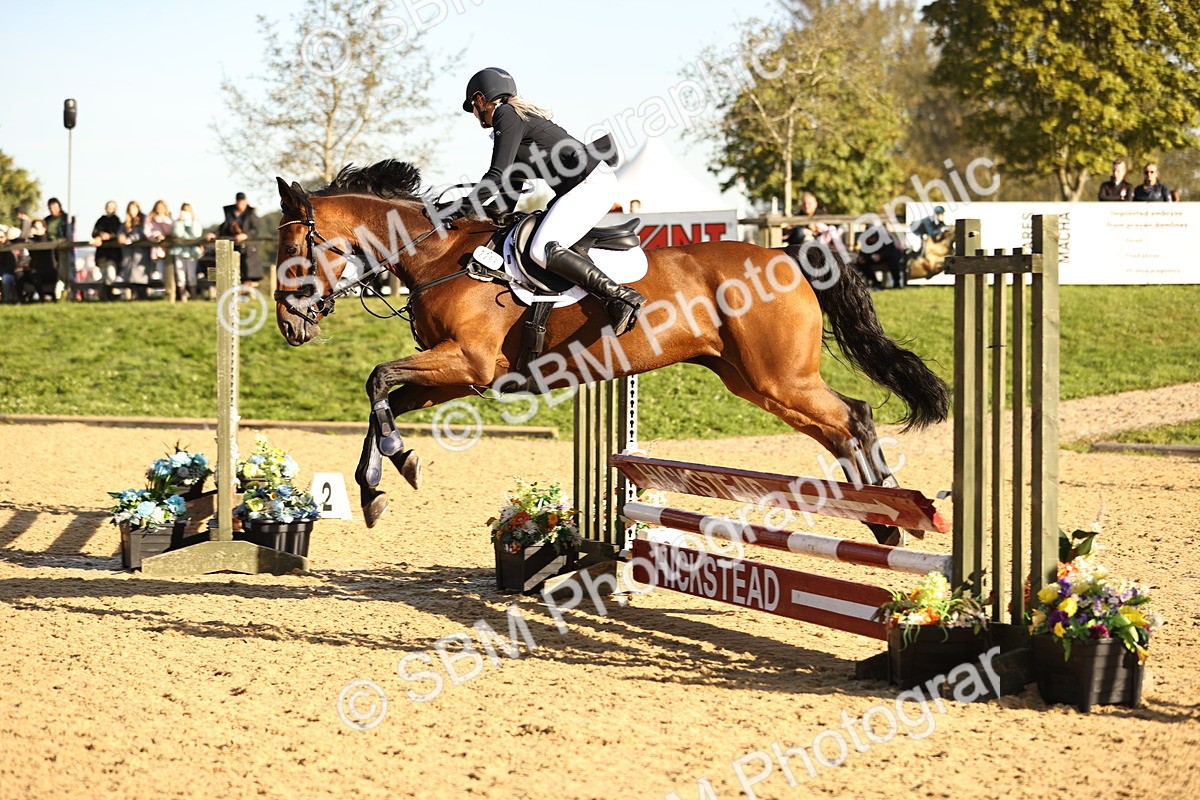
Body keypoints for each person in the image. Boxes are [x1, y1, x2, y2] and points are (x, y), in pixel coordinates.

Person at [441, 67, 644, 335]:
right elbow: (511, 184)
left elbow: (497, 174)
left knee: (542, 249)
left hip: (590, 183)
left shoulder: (505, 113)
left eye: (473, 107)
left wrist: (460, 208)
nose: (475, 115)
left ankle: (620, 297)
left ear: (480, 99)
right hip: (584, 184)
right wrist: (488, 215)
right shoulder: (513, 119)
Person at [209, 192, 261, 284]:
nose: (240, 203)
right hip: (233, 245)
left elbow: (256, 229)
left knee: (246, 271)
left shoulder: (251, 214)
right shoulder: (231, 214)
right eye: (238, 201)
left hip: (247, 247)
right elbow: (223, 227)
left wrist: (246, 235)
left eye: (242, 201)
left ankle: (245, 290)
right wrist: (214, 234)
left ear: (246, 201)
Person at [91, 201, 124, 301]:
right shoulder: (101, 220)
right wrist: (100, 235)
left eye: (112, 208)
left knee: (110, 276)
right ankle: (105, 297)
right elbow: (94, 232)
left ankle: (108, 296)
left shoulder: (117, 221)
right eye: (109, 207)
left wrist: (109, 236)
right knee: (104, 276)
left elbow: (118, 233)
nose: (110, 210)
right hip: (102, 254)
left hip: (113, 255)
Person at [171, 203, 203, 301]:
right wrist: (180, 222)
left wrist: (191, 222)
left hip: (192, 252)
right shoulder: (177, 223)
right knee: (180, 275)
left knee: (191, 275)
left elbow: (196, 234)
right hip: (179, 251)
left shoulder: (196, 222)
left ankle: (194, 297)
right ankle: (183, 297)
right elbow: (177, 234)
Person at [43, 197, 72, 295]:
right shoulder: (47, 220)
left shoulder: (66, 218)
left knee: (64, 268)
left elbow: (68, 233)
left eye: (54, 207)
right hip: (50, 247)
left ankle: (66, 288)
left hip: (62, 246)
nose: (52, 209)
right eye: (50, 207)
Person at [121, 201, 148, 299]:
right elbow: (121, 231)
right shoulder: (126, 223)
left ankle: (142, 297)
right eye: (130, 210)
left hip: (141, 253)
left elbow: (143, 232)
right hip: (129, 254)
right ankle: (134, 296)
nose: (132, 212)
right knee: (131, 276)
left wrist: (131, 238)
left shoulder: (144, 220)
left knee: (140, 276)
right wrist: (121, 236)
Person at [143, 200, 173, 286]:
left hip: (168, 248)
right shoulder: (150, 219)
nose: (159, 210)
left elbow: (171, 231)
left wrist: (163, 221)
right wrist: (156, 236)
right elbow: (147, 232)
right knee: (160, 272)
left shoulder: (168, 219)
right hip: (156, 249)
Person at [0, 227, 16, 303]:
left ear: (5, 237)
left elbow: (11, 265)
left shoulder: (10, 248)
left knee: (5, 278)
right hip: (3, 272)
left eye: (1, 237)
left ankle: (6, 300)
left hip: (10, 273)